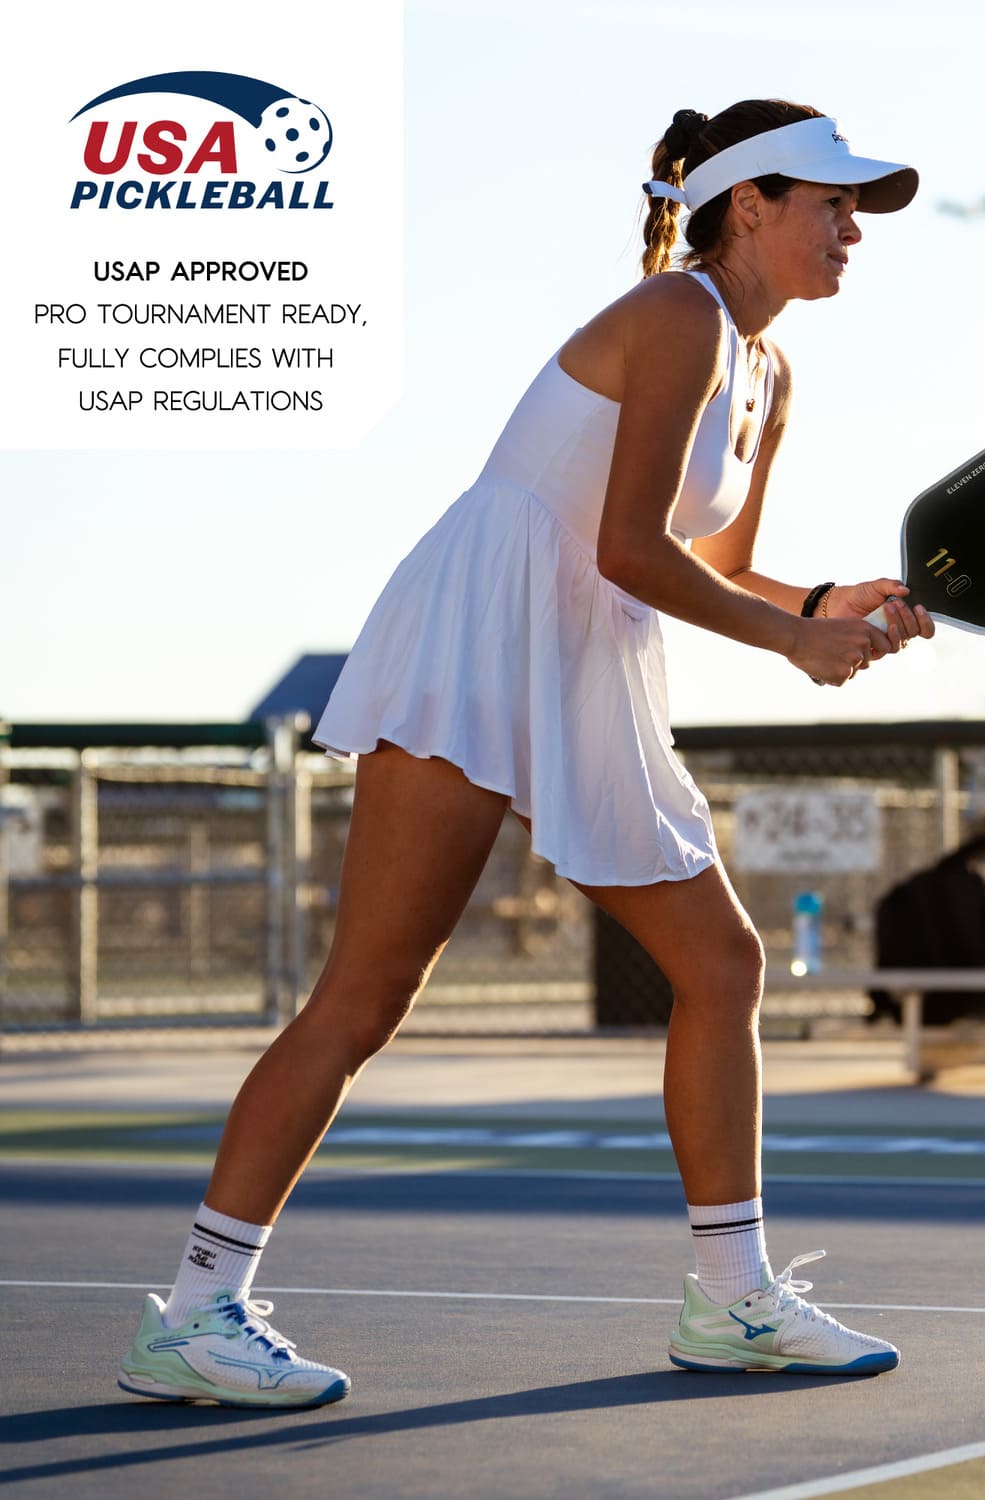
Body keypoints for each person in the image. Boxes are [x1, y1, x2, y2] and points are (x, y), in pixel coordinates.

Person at [117, 99, 934, 1408]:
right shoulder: (676, 318)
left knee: (719, 964)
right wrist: (788, 644)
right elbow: (625, 546)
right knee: (367, 995)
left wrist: (820, 602)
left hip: (588, 644)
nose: (852, 227)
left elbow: (708, 559)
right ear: (748, 207)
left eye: (859, 206)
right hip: (480, 625)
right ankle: (196, 1313)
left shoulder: (768, 374)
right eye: (827, 200)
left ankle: (734, 1304)